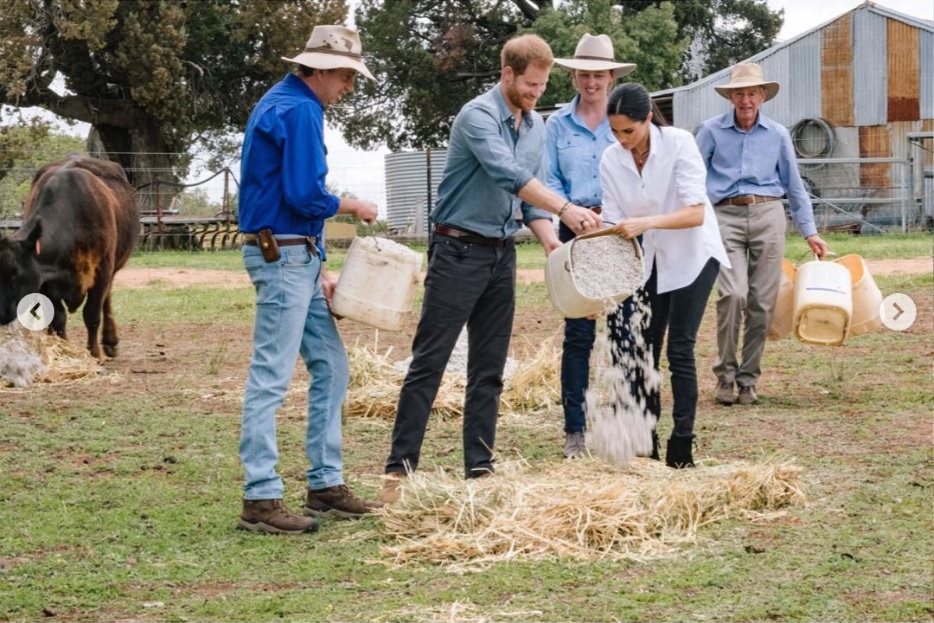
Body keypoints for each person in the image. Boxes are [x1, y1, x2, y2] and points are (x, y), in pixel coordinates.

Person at [381, 33, 603, 502]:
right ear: (507, 73)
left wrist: (553, 244)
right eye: (530, 84)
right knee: (430, 362)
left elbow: (529, 201)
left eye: (542, 86)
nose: (536, 93)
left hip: (502, 254)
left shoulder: (537, 126)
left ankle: (479, 468)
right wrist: (566, 210)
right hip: (457, 250)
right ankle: (399, 472)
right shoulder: (476, 116)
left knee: (490, 367)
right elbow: (509, 175)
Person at [236, 25, 382, 535]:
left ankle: (325, 482)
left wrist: (316, 261)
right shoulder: (300, 110)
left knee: (332, 364)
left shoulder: (282, 102)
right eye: (344, 76)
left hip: (295, 255)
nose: (348, 87)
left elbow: (290, 194)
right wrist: (351, 205)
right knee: (271, 375)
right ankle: (260, 496)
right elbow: (304, 194)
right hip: (285, 257)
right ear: (318, 69)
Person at [600, 82, 730, 468]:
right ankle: (645, 442)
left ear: (647, 120)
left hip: (693, 254)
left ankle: (682, 444)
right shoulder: (610, 158)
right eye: (615, 131)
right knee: (643, 351)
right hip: (646, 261)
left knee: (680, 349)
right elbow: (611, 221)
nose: (622, 139)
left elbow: (695, 212)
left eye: (629, 131)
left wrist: (644, 223)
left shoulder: (679, 143)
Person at [695, 63, 828, 407]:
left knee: (761, 303)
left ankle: (747, 380)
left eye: (752, 92)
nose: (745, 99)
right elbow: (692, 179)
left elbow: (794, 185)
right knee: (734, 294)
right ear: (730, 97)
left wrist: (809, 231)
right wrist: (694, 220)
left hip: (769, 214)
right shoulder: (710, 131)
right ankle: (724, 375)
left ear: (763, 96)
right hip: (724, 215)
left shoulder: (778, 134)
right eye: (739, 93)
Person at [544, 33, 636, 459]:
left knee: (625, 329)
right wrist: (568, 214)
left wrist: (617, 219)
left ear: (612, 76)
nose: (591, 82)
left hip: (620, 232)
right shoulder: (556, 125)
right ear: (574, 76)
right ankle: (575, 431)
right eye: (583, 74)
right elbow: (547, 180)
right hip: (574, 229)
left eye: (599, 74)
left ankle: (622, 425)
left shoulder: (629, 121)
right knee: (578, 333)